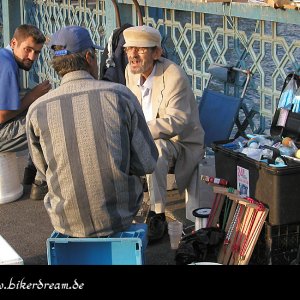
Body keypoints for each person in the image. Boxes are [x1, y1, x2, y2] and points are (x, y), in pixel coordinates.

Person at [26, 25, 158, 237]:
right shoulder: (120, 96)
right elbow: (148, 162)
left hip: (65, 222)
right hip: (119, 216)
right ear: (89, 57)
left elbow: (43, 171)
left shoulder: (37, 110)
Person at [124, 25, 205, 242]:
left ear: (157, 53)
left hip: (179, 140)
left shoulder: (173, 75)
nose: (132, 55)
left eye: (140, 49)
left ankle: (157, 214)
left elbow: (177, 122)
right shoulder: (130, 71)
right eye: (129, 49)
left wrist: (137, 132)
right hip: (145, 134)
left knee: (156, 149)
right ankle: (122, 206)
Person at [0, 24, 51, 200]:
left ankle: (32, 171)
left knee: (37, 110)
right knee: (47, 122)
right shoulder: (7, 65)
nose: (32, 57)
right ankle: (41, 180)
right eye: (27, 50)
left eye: (36, 52)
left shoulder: (3, 57)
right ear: (14, 43)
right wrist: (33, 96)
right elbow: (2, 116)